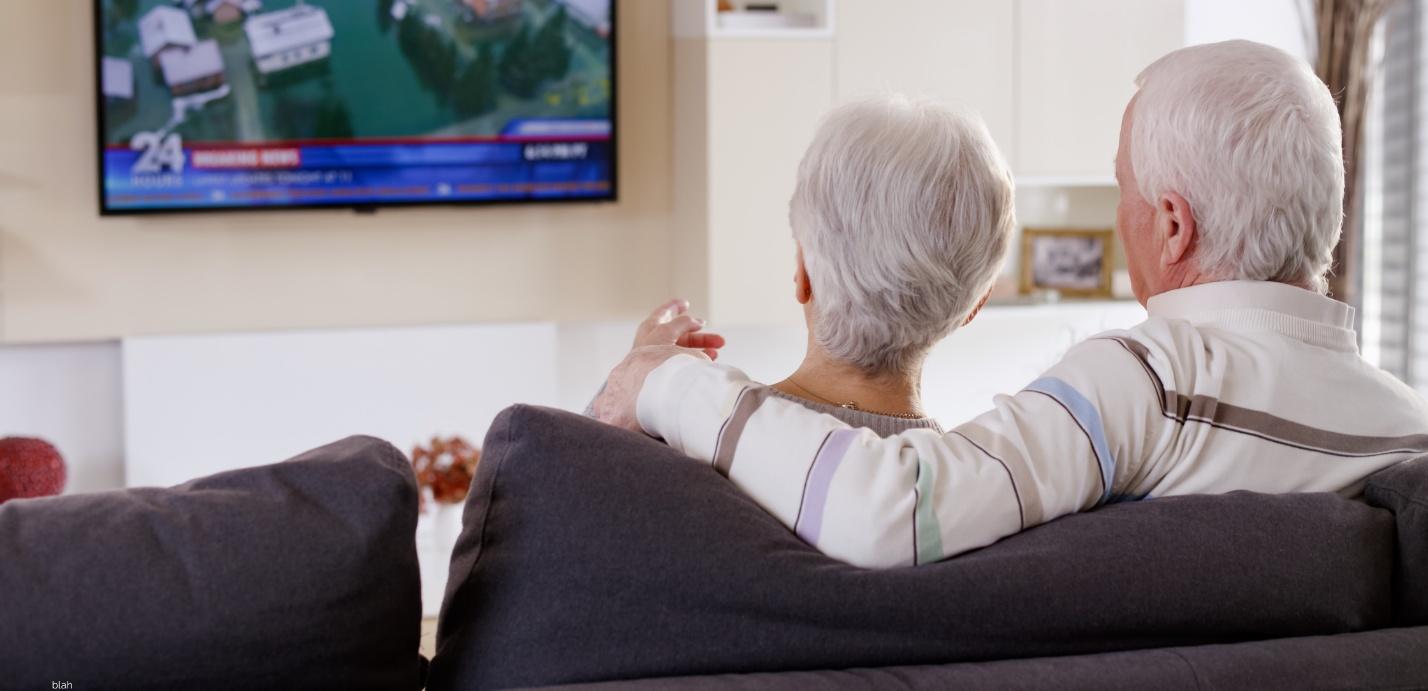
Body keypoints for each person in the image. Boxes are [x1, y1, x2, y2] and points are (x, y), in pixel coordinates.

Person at [589, 39, 1428, 569]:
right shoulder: (1407, 433)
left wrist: (661, 381)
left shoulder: (1150, 385)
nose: (1119, 213)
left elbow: (895, 511)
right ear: (973, 304)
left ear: (1172, 226)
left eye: (1123, 189)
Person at [618, 95, 1014, 440]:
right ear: (975, 304)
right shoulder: (968, 498)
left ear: (804, 275)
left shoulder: (684, 443)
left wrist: (632, 386)